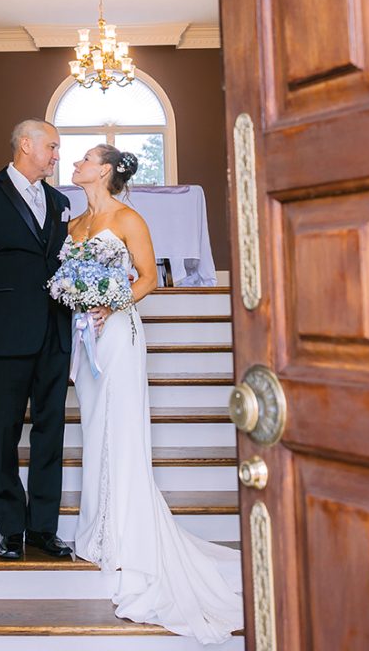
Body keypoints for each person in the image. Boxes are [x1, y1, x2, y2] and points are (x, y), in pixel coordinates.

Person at [59, 143, 243, 644]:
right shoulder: (73, 224)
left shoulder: (129, 218)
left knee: (119, 426)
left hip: (118, 335)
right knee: (94, 428)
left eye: (84, 160)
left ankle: (126, 535)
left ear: (106, 171)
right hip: (84, 338)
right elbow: (68, 278)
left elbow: (146, 280)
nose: (75, 165)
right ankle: (97, 530)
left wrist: (110, 304)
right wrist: (79, 301)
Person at [0, 119, 72, 561]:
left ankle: (43, 527)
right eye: (52, 147)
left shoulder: (60, 201)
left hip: (55, 333)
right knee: (5, 431)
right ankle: (11, 528)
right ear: (27, 145)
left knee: (51, 431)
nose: (57, 155)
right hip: (3, 333)